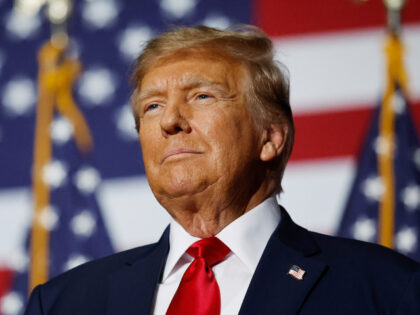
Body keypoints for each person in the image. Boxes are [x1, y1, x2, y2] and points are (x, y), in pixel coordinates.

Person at [25, 25, 419, 315]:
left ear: (270, 137)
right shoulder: (65, 303)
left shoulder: (386, 291)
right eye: (153, 106)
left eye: (201, 96)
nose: (170, 121)